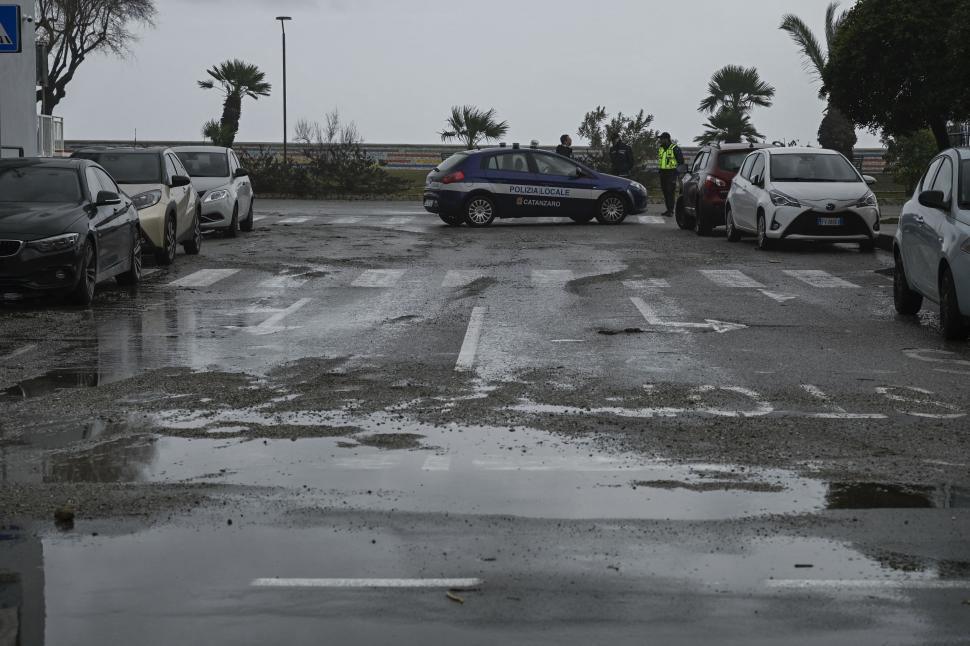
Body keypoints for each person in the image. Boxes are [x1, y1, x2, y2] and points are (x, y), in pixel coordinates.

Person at [657, 132, 685, 217]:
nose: (660, 140)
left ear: (666, 139)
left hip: (672, 173)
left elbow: (681, 161)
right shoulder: (661, 148)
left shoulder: (675, 148)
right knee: (665, 191)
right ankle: (668, 209)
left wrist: (680, 175)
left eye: (662, 139)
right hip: (662, 173)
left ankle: (671, 210)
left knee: (670, 191)